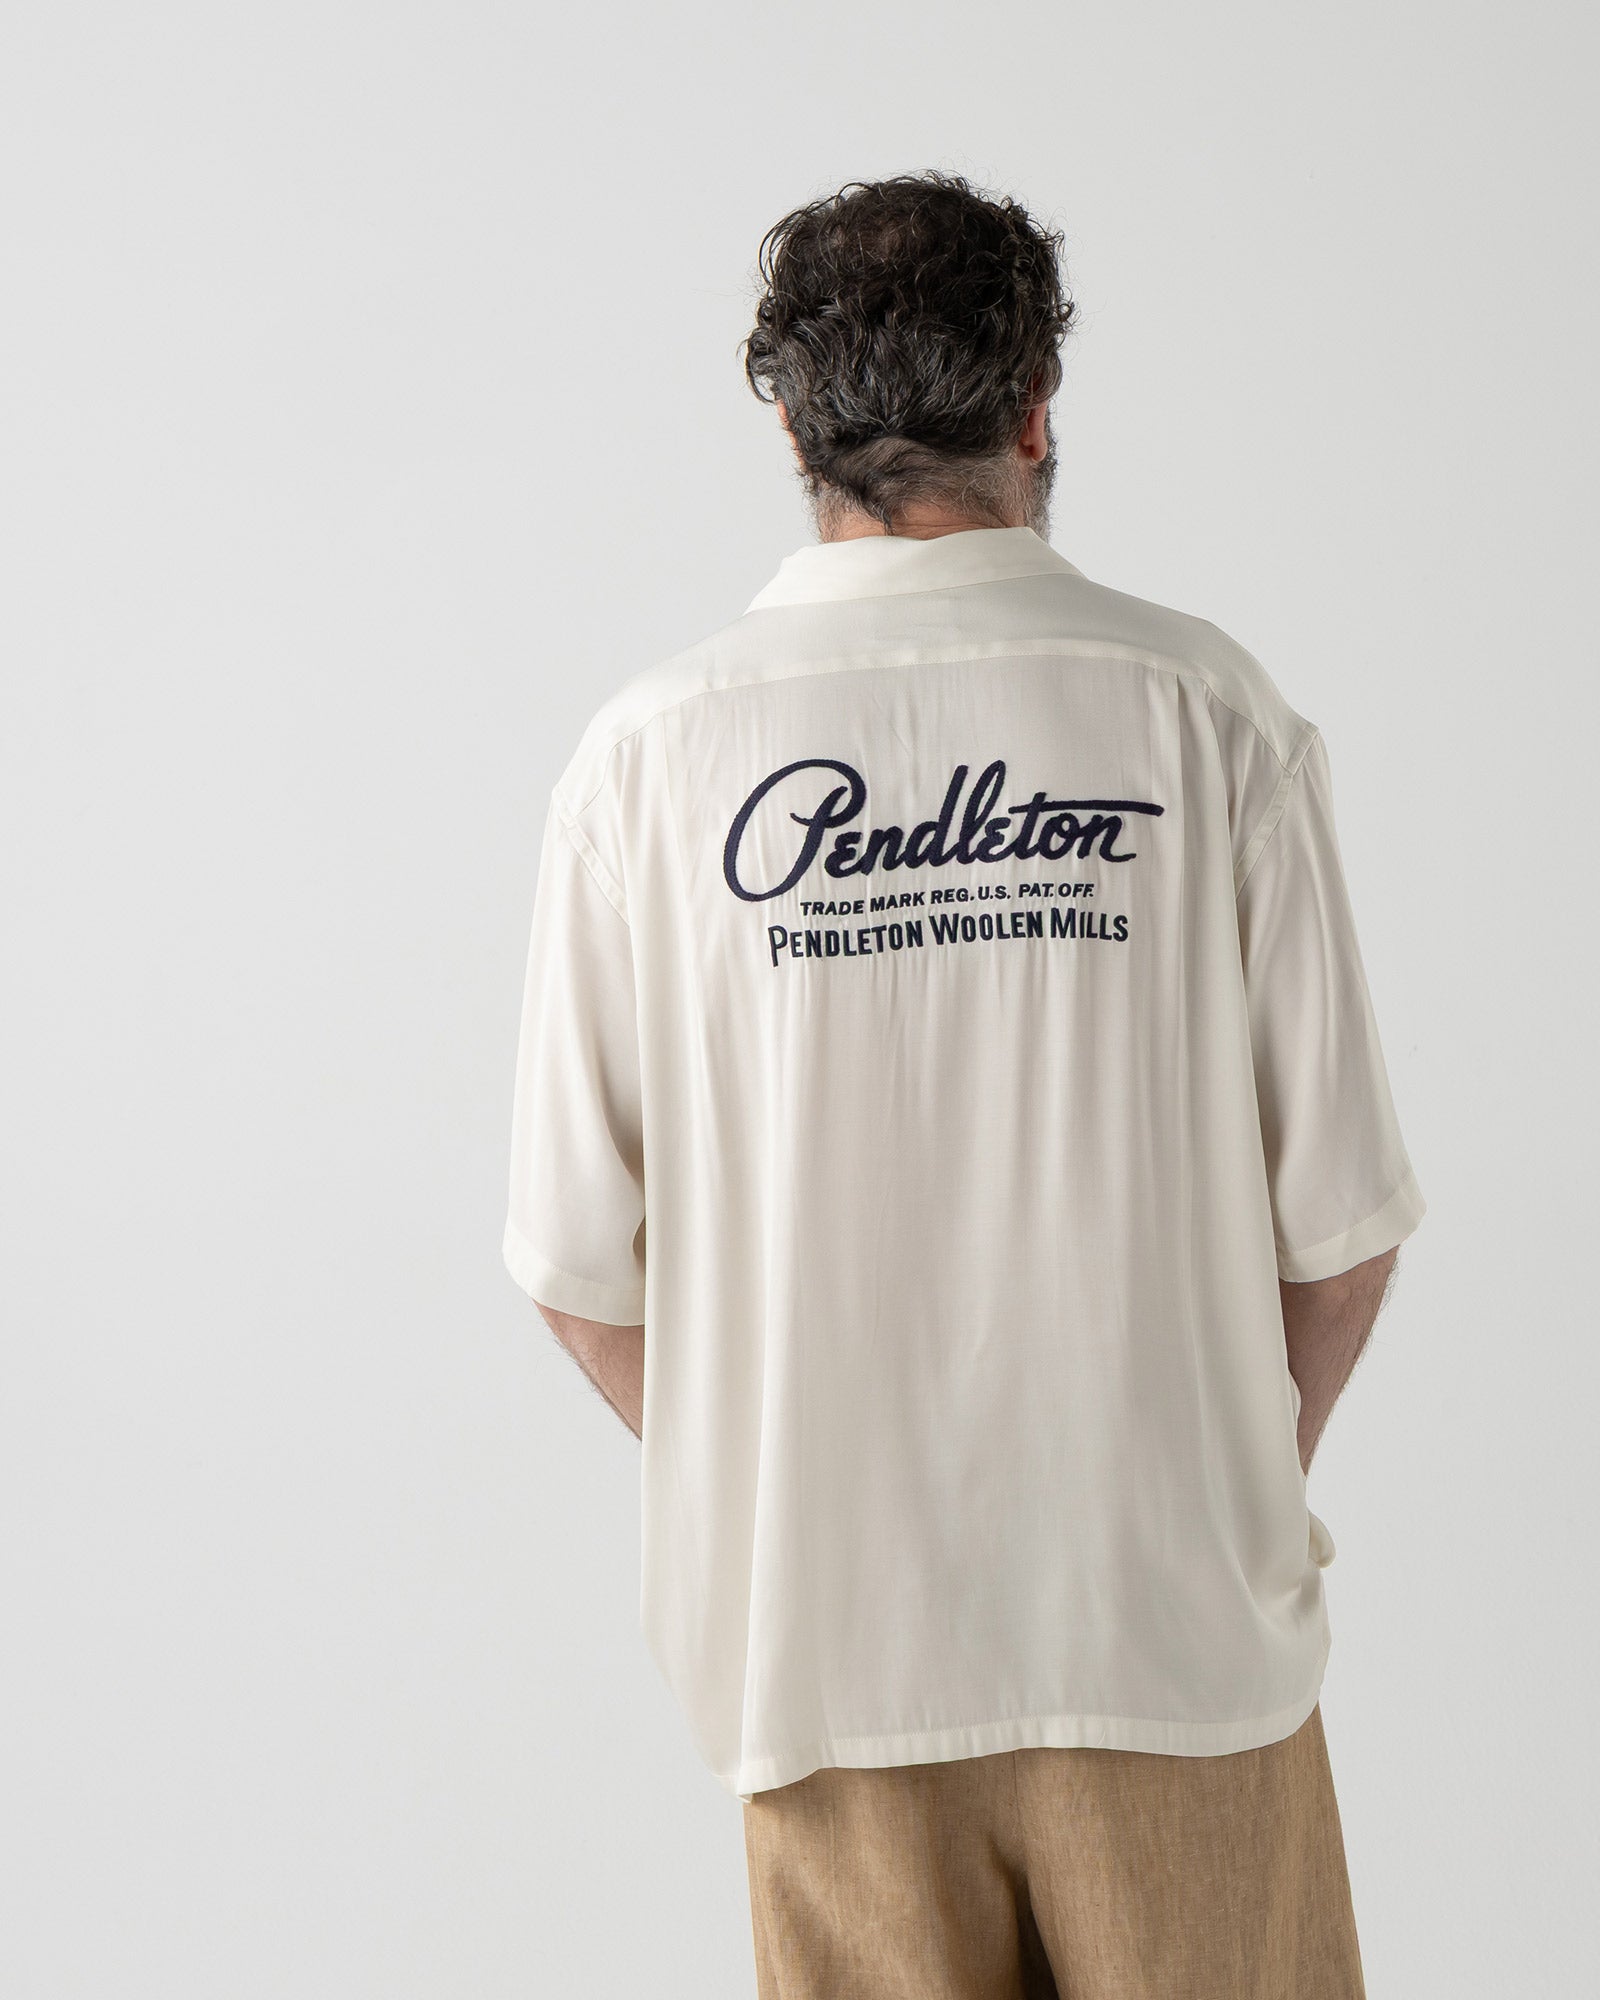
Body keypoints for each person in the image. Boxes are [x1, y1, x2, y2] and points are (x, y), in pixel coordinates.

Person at [501, 171, 1425, 1999]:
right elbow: (1343, 1234)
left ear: (792, 425)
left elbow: (575, 1269)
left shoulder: (652, 761)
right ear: (1036, 411)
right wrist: (1205, 1477)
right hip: (1171, 1643)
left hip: (826, 1665)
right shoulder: (1202, 712)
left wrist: (793, 1476)